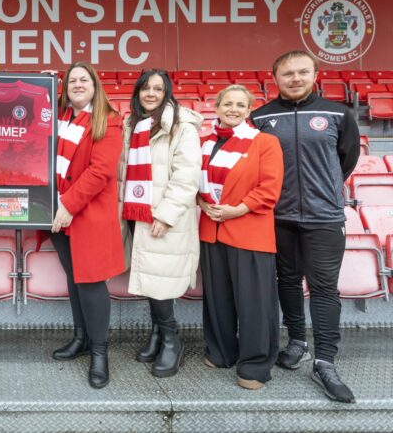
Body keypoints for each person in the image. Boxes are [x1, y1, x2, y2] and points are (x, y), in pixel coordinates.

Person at [251, 51, 360, 403]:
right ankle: (296, 341)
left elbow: (347, 158)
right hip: (278, 218)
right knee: (287, 281)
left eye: (302, 72)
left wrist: (323, 190)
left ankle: (325, 361)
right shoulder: (260, 118)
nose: (295, 78)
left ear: (315, 73)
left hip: (324, 218)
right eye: (287, 74)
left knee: (325, 288)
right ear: (275, 78)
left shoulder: (339, 113)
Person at [197, 85, 283, 390]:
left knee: (254, 302)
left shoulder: (265, 143)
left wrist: (237, 210)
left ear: (249, 110)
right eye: (227, 104)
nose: (232, 109)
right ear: (217, 107)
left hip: (249, 230)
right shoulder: (204, 142)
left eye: (240, 105)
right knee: (217, 299)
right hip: (211, 229)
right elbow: (196, 183)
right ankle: (221, 351)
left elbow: (269, 188)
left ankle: (256, 364)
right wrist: (203, 202)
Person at [119, 69, 201, 378]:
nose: (151, 94)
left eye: (158, 89)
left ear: (167, 93)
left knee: (161, 280)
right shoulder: (133, 124)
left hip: (163, 217)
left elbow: (187, 175)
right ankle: (157, 333)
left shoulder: (182, 127)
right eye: (145, 88)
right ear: (137, 92)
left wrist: (166, 215)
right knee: (150, 276)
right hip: (137, 213)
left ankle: (172, 340)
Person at [52, 62, 124, 389]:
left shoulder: (108, 120)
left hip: (85, 213)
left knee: (92, 282)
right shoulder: (63, 117)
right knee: (74, 278)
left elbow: (100, 172)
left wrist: (68, 204)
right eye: (72, 81)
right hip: (59, 214)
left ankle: (100, 354)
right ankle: (80, 339)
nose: (78, 84)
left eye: (84, 80)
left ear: (95, 84)